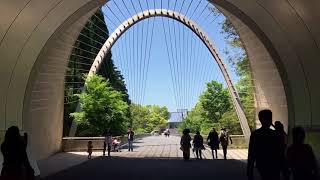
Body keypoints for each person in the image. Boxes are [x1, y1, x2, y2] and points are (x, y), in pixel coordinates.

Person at [247, 109, 282, 180]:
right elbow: (280, 152)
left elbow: (251, 153)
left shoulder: (255, 134)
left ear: (260, 120)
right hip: (274, 164)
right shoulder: (275, 134)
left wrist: (249, 170)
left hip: (261, 163)